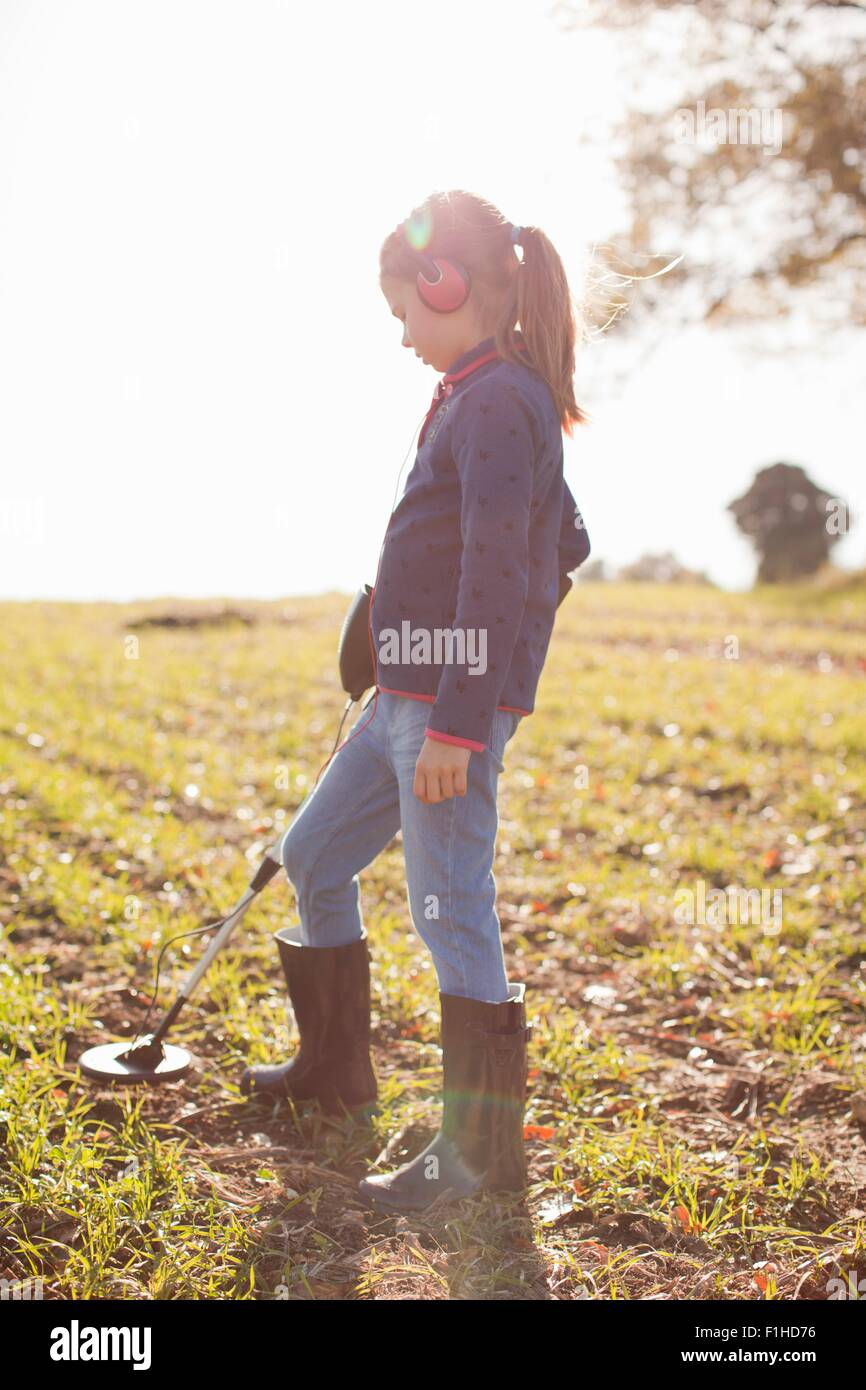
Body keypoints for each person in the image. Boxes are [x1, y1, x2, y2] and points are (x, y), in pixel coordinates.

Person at [241, 189, 592, 1213]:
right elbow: (557, 537)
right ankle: (334, 1072)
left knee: (451, 913)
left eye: (403, 310)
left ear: (446, 286)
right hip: (400, 695)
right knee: (311, 857)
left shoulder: (493, 399)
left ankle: (472, 1159)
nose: (399, 334)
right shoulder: (481, 389)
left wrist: (458, 713)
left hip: (442, 711)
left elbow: (497, 564)